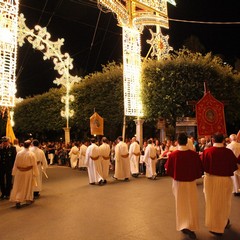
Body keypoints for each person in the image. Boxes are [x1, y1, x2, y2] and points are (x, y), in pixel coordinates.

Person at [165, 132, 203, 240]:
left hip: (178, 183)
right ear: (187, 141)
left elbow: (169, 170)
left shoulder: (173, 155)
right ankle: (191, 225)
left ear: (177, 141)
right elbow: (199, 170)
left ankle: (183, 224)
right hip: (191, 183)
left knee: (180, 204)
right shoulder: (194, 155)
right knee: (191, 204)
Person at [201, 132, 239, 236]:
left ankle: (214, 226)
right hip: (225, 180)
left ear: (213, 140)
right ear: (223, 140)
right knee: (224, 203)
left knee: (211, 203)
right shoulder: (228, 152)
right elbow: (235, 166)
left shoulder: (207, 152)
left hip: (210, 180)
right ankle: (223, 222)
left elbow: (202, 166)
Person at [10, 140, 39, 208]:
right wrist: (36, 173)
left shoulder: (19, 153)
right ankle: (28, 199)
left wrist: (14, 172)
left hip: (19, 172)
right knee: (28, 186)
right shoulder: (31, 154)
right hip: (28, 172)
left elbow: (15, 163)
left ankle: (18, 200)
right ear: (29, 145)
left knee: (19, 186)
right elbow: (34, 164)